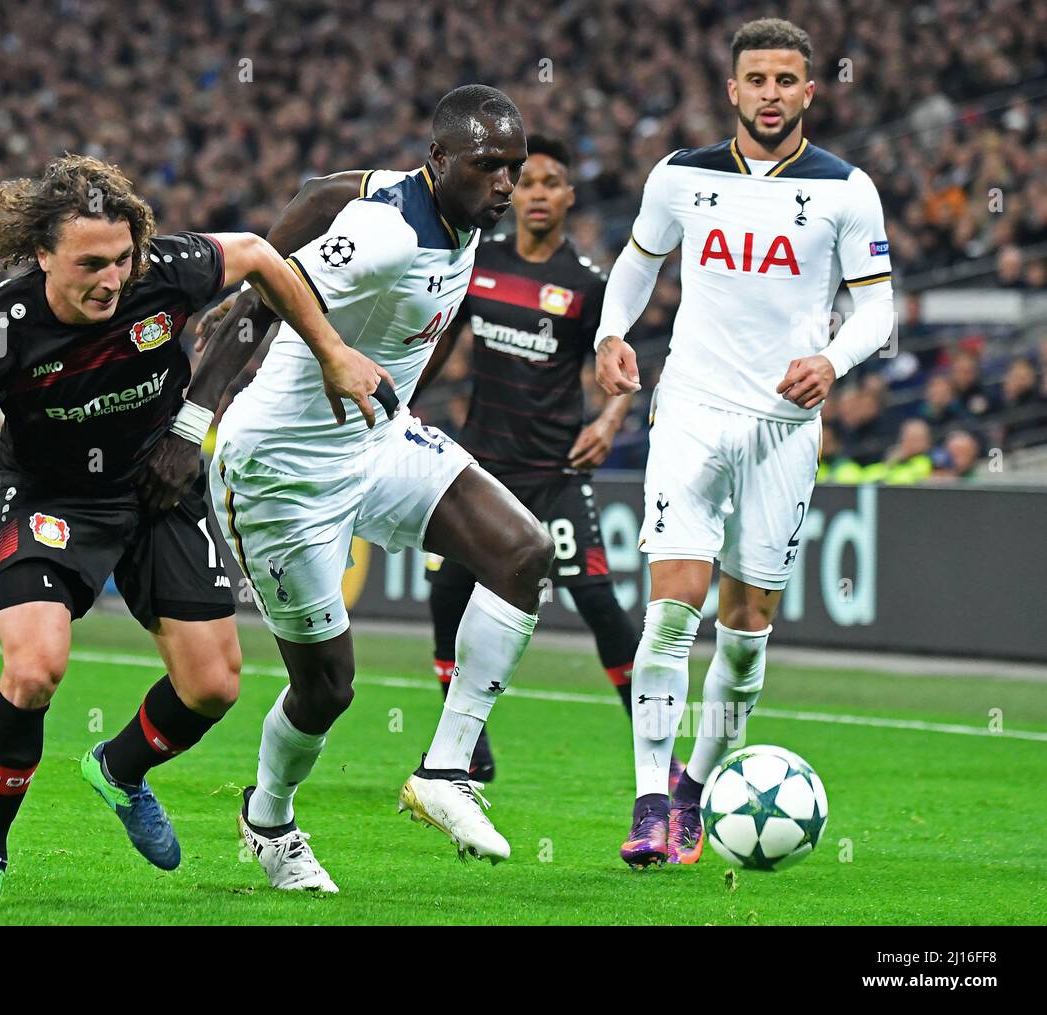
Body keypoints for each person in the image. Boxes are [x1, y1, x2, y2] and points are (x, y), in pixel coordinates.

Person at [0, 154, 386, 909]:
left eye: (123, 259)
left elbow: (260, 254)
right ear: (41, 255)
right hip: (53, 502)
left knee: (214, 685)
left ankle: (121, 768)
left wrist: (332, 350)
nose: (113, 278)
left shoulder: (168, 270)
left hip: (159, 491)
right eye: (91, 263)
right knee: (33, 670)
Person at [182, 85, 547, 892]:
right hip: (281, 467)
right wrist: (193, 416)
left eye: (514, 169)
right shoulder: (385, 234)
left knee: (524, 553)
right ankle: (268, 818)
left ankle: (446, 770)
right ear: (440, 161)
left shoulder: (435, 203)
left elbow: (319, 191)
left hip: (376, 440)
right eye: (489, 167)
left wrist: (405, 401)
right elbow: (273, 281)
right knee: (328, 689)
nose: (504, 186)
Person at [593, 18, 896, 867]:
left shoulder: (845, 189)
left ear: (810, 89)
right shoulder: (681, 175)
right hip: (690, 408)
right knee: (668, 614)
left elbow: (879, 305)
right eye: (754, 79)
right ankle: (651, 799)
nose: (769, 93)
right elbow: (637, 260)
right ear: (732, 90)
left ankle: (695, 785)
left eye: (784, 80)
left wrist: (833, 359)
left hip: (783, 426)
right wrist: (611, 333)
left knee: (746, 627)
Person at [410, 134, 681, 788]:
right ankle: (467, 746)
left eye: (550, 182)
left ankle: (658, 758)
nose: (535, 194)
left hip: (554, 473)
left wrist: (610, 419)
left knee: (598, 603)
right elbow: (444, 339)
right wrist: (404, 401)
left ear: (568, 195)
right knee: (446, 595)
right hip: (478, 471)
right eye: (525, 182)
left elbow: (620, 365)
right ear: (512, 190)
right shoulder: (481, 261)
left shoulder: (586, 287)